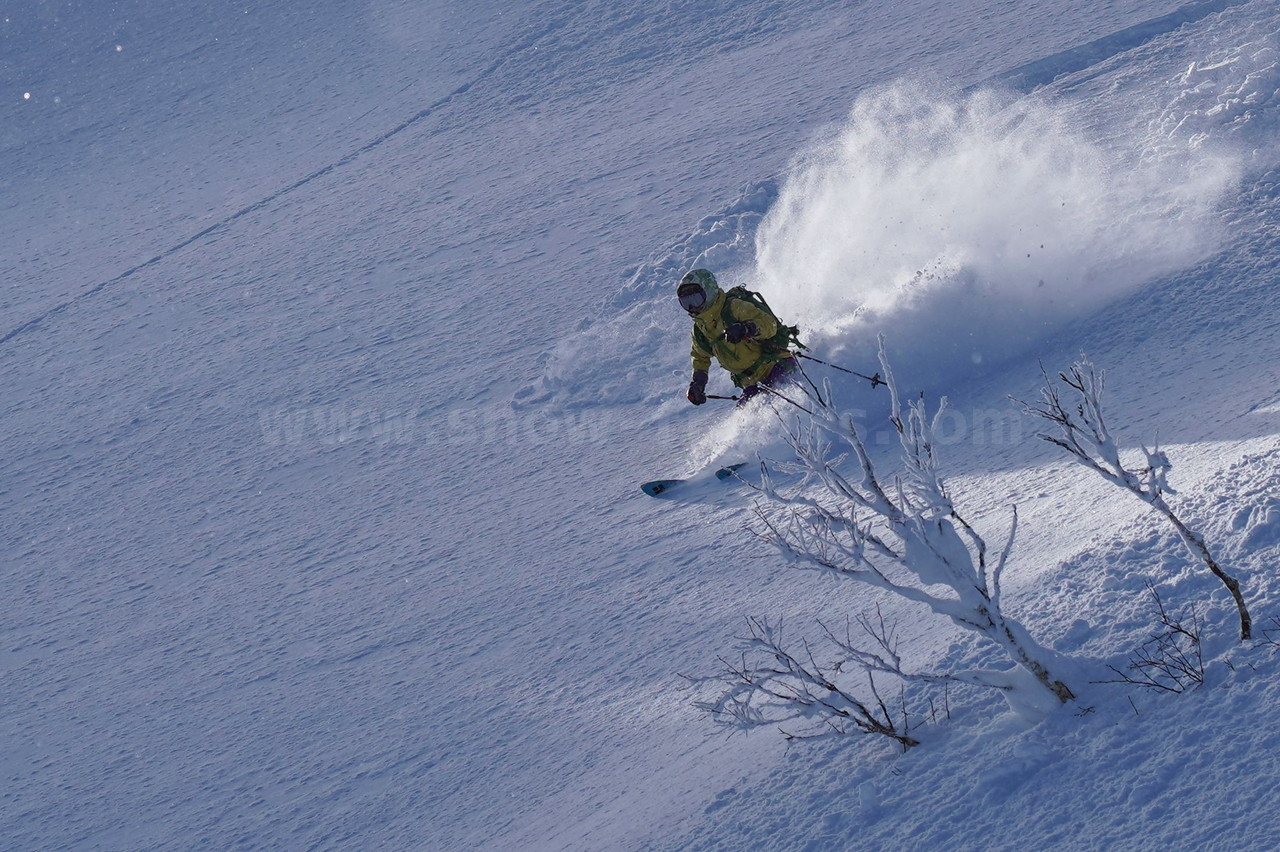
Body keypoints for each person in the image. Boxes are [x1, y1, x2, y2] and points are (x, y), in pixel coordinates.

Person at [676, 268, 798, 407]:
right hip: (751, 383)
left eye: (695, 299)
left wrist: (746, 328)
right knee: (749, 420)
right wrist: (698, 383)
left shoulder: (733, 308)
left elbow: (769, 324)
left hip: (775, 366)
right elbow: (700, 357)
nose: (692, 307)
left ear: (709, 291)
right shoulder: (700, 330)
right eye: (685, 303)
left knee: (787, 405)